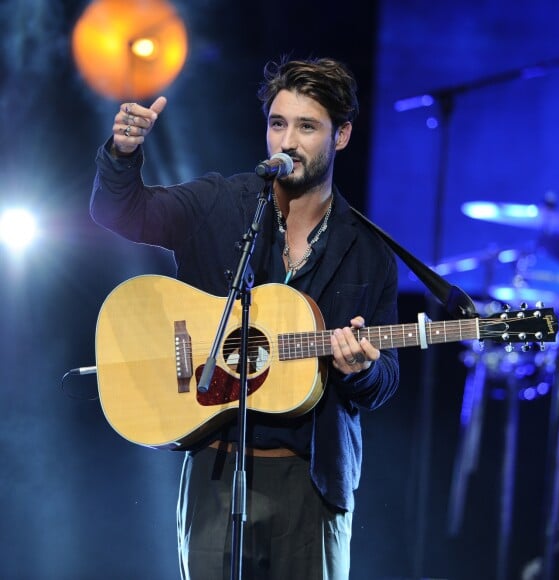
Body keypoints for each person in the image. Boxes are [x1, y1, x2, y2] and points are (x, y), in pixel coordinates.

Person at [91, 56, 400, 580]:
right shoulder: (222, 204)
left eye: (307, 126)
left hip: (312, 480)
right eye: (278, 123)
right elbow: (120, 212)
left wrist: (362, 369)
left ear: (341, 136)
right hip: (215, 462)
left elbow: (385, 378)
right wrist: (123, 154)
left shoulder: (368, 250)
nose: (288, 141)